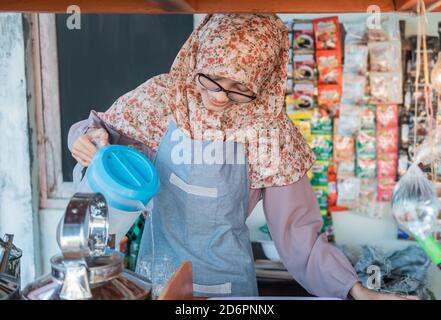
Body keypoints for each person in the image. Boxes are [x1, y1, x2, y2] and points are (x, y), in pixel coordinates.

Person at [68, 14, 417, 300]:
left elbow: (298, 233)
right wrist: (84, 139)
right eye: (213, 79)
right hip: (156, 280)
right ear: (198, 59)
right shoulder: (161, 99)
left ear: (263, 83)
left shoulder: (269, 130)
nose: (221, 97)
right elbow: (99, 133)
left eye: (240, 87)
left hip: (230, 290)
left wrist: (354, 289)